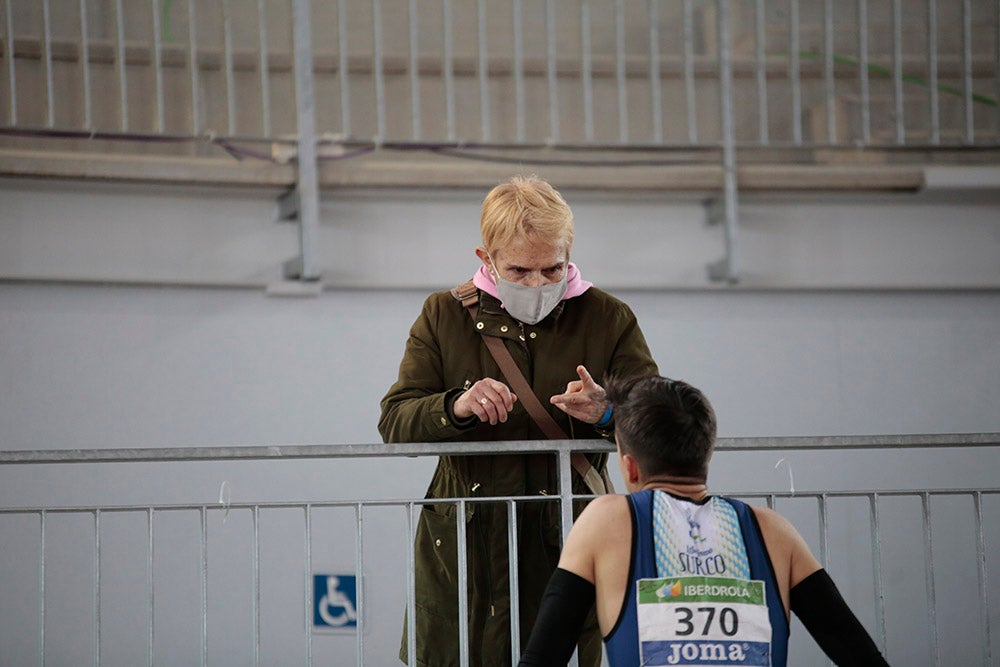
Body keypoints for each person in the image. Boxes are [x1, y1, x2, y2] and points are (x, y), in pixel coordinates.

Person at [378, 175, 658, 666]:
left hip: (572, 536)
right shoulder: (443, 315)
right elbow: (395, 419)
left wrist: (608, 411)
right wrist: (455, 406)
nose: (539, 283)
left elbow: (658, 425)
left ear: (570, 251)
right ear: (485, 258)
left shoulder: (609, 318)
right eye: (520, 270)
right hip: (465, 543)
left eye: (554, 268)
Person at [518, 374, 890, 666]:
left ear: (629, 467)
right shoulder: (774, 531)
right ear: (706, 456)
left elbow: (544, 656)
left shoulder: (608, 520)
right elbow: (859, 655)